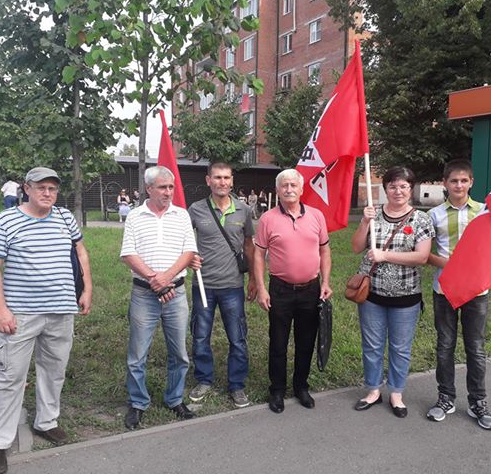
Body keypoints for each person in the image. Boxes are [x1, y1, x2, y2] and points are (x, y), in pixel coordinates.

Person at [0, 167, 92, 474]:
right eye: (41, 187)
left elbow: (80, 253)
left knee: (54, 371)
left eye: (52, 188)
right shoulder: (6, 220)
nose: (47, 193)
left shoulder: (65, 218)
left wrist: (87, 289)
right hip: (21, 314)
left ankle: (46, 421)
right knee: (10, 377)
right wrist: (0, 310)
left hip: (61, 310)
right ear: (26, 189)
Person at [351, 166, 434, 418]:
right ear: (385, 188)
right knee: (372, 345)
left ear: (411, 189)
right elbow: (356, 247)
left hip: (405, 297)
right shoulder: (373, 213)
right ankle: (373, 390)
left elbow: (421, 257)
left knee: (400, 348)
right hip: (371, 295)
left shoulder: (421, 219)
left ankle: (396, 393)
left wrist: (385, 255)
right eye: (393, 186)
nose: (398, 191)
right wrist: (364, 222)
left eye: (403, 186)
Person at [120, 166, 197, 429]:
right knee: (137, 355)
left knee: (180, 353)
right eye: (162, 187)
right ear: (148, 188)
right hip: (144, 294)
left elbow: (189, 252)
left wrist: (167, 278)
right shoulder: (135, 216)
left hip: (176, 293)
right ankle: (138, 402)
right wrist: (156, 280)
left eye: (171, 187)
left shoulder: (182, 215)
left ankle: (175, 399)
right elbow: (128, 253)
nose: (168, 192)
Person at [426, 159, 491, 430]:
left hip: (476, 290)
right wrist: (450, 264)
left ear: (471, 182)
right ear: (444, 183)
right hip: (444, 288)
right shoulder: (433, 215)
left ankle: (478, 402)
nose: (459, 185)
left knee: (475, 347)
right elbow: (424, 254)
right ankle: (445, 398)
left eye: (463, 180)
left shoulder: (484, 211)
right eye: (453, 181)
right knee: (445, 345)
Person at [254, 169, 332, 414]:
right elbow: (258, 255)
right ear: (277, 190)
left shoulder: (317, 216)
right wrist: (261, 288)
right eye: (284, 185)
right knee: (278, 342)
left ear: (301, 189)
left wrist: (326, 282)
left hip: (311, 290)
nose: (289, 189)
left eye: (293, 185)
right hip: (280, 290)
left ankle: (301, 386)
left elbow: (325, 251)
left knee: (305, 341)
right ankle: (277, 390)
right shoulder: (267, 219)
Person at [187, 162, 257, 409]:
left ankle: (236, 385)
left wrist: (253, 278)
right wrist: (189, 257)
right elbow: (184, 240)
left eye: (226, 177)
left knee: (237, 338)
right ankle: (204, 379)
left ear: (232, 181)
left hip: (232, 286)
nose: (222, 182)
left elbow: (249, 246)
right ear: (208, 180)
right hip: (203, 285)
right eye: (217, 177)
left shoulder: (244, 210)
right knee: (200, 336)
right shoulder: (195, 209)